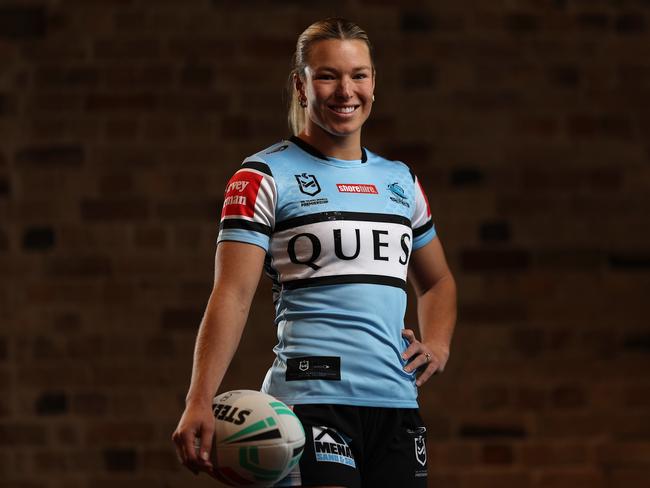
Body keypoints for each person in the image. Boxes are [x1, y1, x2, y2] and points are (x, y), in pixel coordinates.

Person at [172, 17, 457, 488]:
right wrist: (199, 398)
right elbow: (233, 294)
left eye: (358, 75)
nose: (346, 90)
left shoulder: (401, 181)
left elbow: (439, 281)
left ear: (372, 83)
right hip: (311, 399)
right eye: (327, 75)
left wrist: (439, 344)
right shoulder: (262, 176)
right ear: (301, 86)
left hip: (396, 406)